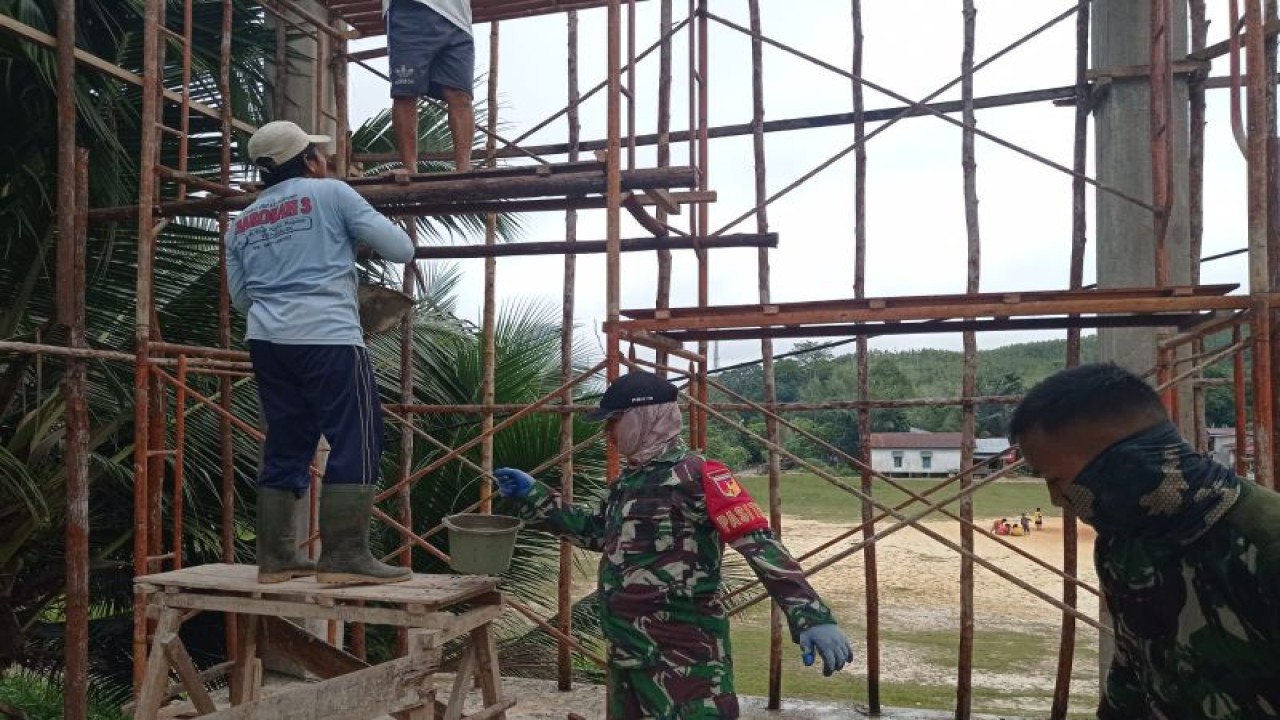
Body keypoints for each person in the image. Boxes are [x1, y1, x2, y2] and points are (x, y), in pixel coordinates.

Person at [493, 371, 853, 719]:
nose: (608, 434)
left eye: (613, 421)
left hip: (686, 661)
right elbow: (599, 534)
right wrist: (535, 496)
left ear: (641, 417)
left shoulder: (701, 475)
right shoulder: (628, 480)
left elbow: (759, 545)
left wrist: (810, 615)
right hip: (627, 654)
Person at [1010, 363, 1280, 718]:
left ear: (1123, 463)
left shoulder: (1266, 543)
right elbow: (1134, 671)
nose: (1057, 499)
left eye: (1057, 479)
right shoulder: (1122, 545)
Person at [226, 120, 416, 585]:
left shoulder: (241, 223)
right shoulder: (330, 193)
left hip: (267, 341)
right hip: (326, 335)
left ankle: (276, 557)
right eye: (318, 153)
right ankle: (344, 557)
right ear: (308, 161)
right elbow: (401, 249)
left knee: (288, 438)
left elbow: (240, 298)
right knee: (357, 436)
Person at [386, 0, 474, 171]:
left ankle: (463, 168)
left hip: (458, 19)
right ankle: (410, 168)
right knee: (406, 92)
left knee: (461, 95)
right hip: (410, 10)